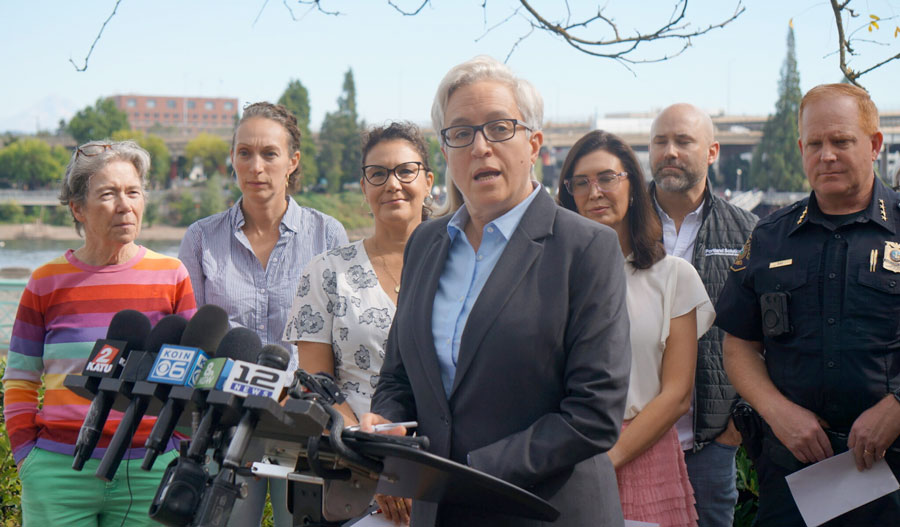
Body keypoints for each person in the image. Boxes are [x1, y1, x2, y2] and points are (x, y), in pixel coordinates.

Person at [361, 55, 631, 527]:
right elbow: (398, 377)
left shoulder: (586, 247)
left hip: (545, 512)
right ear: (445, 151)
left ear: (534, 143)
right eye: (461, 133)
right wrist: (384, 426)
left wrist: (467, 472)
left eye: (499, 128)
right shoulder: (426, 241)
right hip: (436, 513)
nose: (480, 147)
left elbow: (594, 414)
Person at [717, 83, 900, 525]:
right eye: (814, 143)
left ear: (874, 145)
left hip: (892, 468)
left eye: (841, 141)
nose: (827, 155)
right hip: (797, 472)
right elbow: (738, 346)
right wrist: (778, 413)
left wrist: (897, 407)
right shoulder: (770, 236)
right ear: (801, 148)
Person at [2, 140, 197, 526]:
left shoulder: (172, 275)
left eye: (133, 192)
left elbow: (192, 375)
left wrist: (182, 452)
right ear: (77, 208)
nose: (125, 205)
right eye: (108, 194)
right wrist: (28, 457)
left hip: (150, 470)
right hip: (58, 474)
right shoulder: (45, 282)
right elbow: (21, 378)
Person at [178, 102, 348, 527]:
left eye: (270, 154)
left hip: (304, 421)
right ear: (232, 159)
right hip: (226, 421)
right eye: (244, 153)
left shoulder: (328, 234)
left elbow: (339, 339)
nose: (256, 166)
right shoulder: (201, 239)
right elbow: (194, 334)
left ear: (292, 162)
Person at [558, 130, 714, 526]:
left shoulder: (674, 276)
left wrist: (610, 458)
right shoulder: (550, 281)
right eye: (582, 182)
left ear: (632, 183)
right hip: (567, 457)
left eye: (607, 178)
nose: (595, 191)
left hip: (647, 452)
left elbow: (677, 394)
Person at [284, 121, 433, 524]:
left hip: (448, 471)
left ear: (429, 180)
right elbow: (317, 385)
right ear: (364, 187)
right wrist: (379, 467)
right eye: (378, 174)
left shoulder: (460, 267)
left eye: (406, 171)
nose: (393, 184)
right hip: (358, 472)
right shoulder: (327, 271)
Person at [648, 103, 758, 526]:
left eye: (683, 141)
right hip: (629, 438)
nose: (670, 151)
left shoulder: (748, 232)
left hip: (709, 444)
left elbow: (764, 334)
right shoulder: (621, 225)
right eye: (660, 142)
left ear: (712, 152)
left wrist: (734, 428)